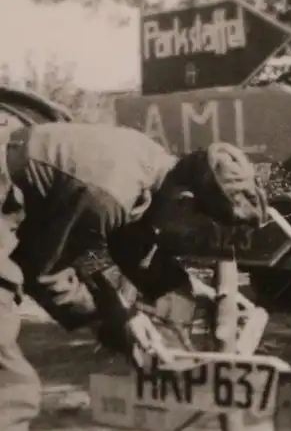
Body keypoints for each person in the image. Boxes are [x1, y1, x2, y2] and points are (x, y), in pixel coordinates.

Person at [0, 121, 268, 430]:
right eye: (196, 234)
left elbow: (131, 246)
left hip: (21, 202)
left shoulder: (153, 173)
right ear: (185, 204)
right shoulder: (108, 191)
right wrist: (120, 316)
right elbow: (64, 267)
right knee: (12, 389)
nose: (190, 244)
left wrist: (197, 291)